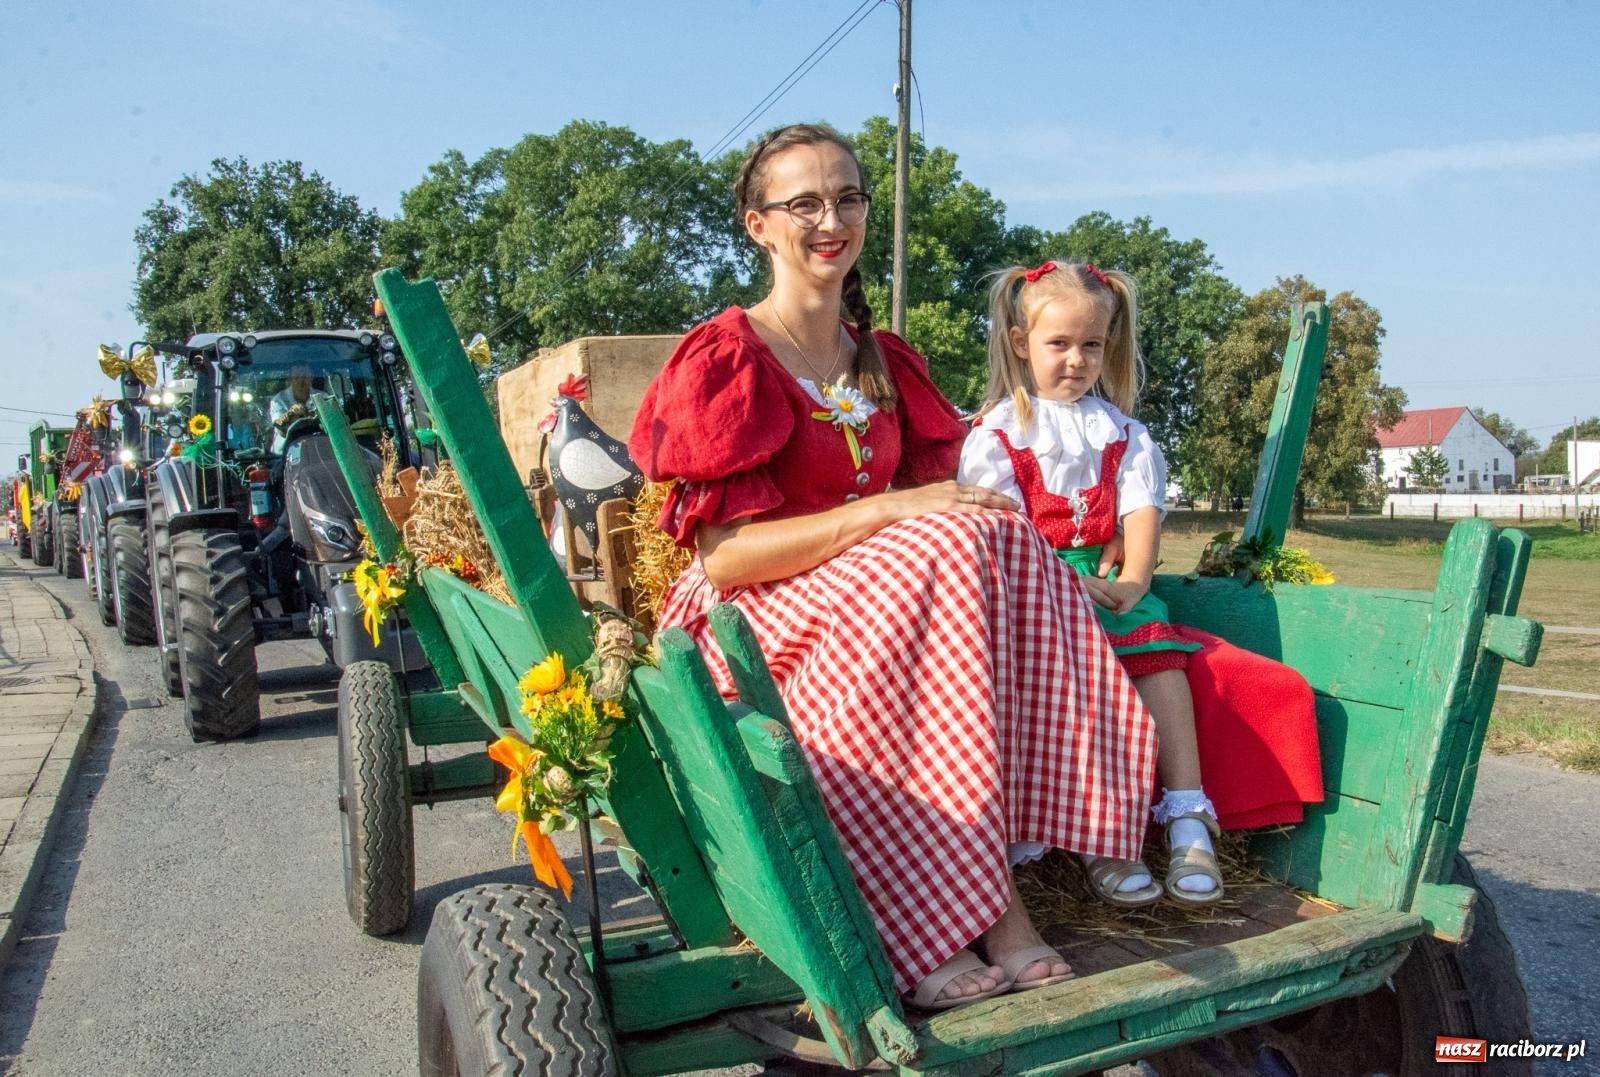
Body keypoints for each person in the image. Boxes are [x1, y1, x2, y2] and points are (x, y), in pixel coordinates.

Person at [628, 124, 1158, 1010]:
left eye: (847, 199)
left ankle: (1014, 869)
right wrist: (883, 511)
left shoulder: (883, 360)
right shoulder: (729, 357)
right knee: (930, 547)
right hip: (752, 614)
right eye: (804, 203)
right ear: (759, 226)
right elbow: (724, 560)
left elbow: (941, 512)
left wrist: (1057, 527)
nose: (830, 220)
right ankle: (942, 922)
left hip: (889, 600)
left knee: (992, 533)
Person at [960, 260, 1322, 908]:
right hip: (1033, 587)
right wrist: (1063, 586)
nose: (1076, 359)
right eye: (1058, 343)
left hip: (1108, 583)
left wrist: (1133, 580)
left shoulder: (1122, 433)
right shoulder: (997, 433)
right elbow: (999, 528)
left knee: (1155, 648)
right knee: (1073, 668)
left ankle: (1188, 816)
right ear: (1020, 343)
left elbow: (1141, 512)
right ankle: (1103, 835)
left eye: (1091, 344)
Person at [269, 365, 315, 452]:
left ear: (311, 378)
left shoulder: (323, 397)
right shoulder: (278, 400)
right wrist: (291, 413)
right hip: (283, 453)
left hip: (318, 450)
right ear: (290, 380)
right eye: (296, 377)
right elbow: (280, 428)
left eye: (305, 377)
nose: (301, 382)